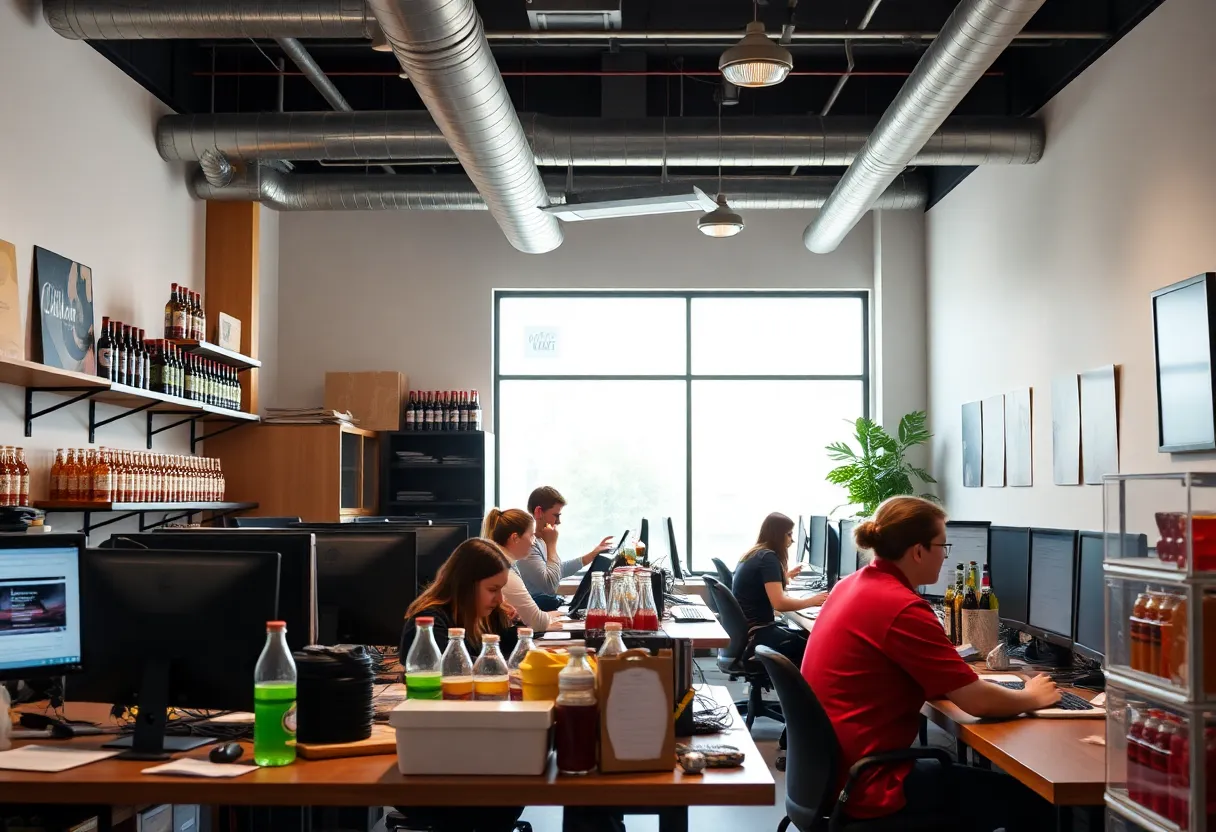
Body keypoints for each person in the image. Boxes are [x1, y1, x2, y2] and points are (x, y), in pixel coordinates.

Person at [801, 496, 1058, 831]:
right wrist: (1032, 696)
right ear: (918, 551)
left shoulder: (850, 585)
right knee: (1031, 799)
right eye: (942, 545)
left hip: (833, 774)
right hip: (871, 784)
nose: (944, 555)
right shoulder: (902, 607)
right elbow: (976, 701)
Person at [397, 537, 524, 832]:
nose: (499, 599)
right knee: (509, 789)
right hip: (438, 756)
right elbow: (465, 684)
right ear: (466, 585)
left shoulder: (471, 616)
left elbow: (506, 661)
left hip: (462, 743)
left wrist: (509, 625)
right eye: (493, 590)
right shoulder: (430, 623)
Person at [731, 512, 827, 663]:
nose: (792, 539)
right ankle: (799, 687)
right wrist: (812, 601)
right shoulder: (768, 558)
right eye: (789, 534)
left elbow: (757, 586)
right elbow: (779, 604)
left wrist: (784, 577)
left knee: (805, 637)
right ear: (778, 535)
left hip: (750, 631)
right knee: (816, 647)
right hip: (759, 633)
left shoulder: (755, 553)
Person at [516, 486, 613, 610]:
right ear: (539, 512)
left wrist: (591, 555)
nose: (558, 521)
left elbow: (557, 570)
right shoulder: (529, 548)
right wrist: (552, 545)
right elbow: (550, 585)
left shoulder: (541, 541)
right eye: (556, 515)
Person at [483, 507, 562, 633]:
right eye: (531, 535)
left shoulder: (503, 562)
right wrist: (551, 544)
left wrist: (546, 617)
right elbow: (538, 622)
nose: (533, 541)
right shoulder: (505, 572)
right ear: (515, 538)